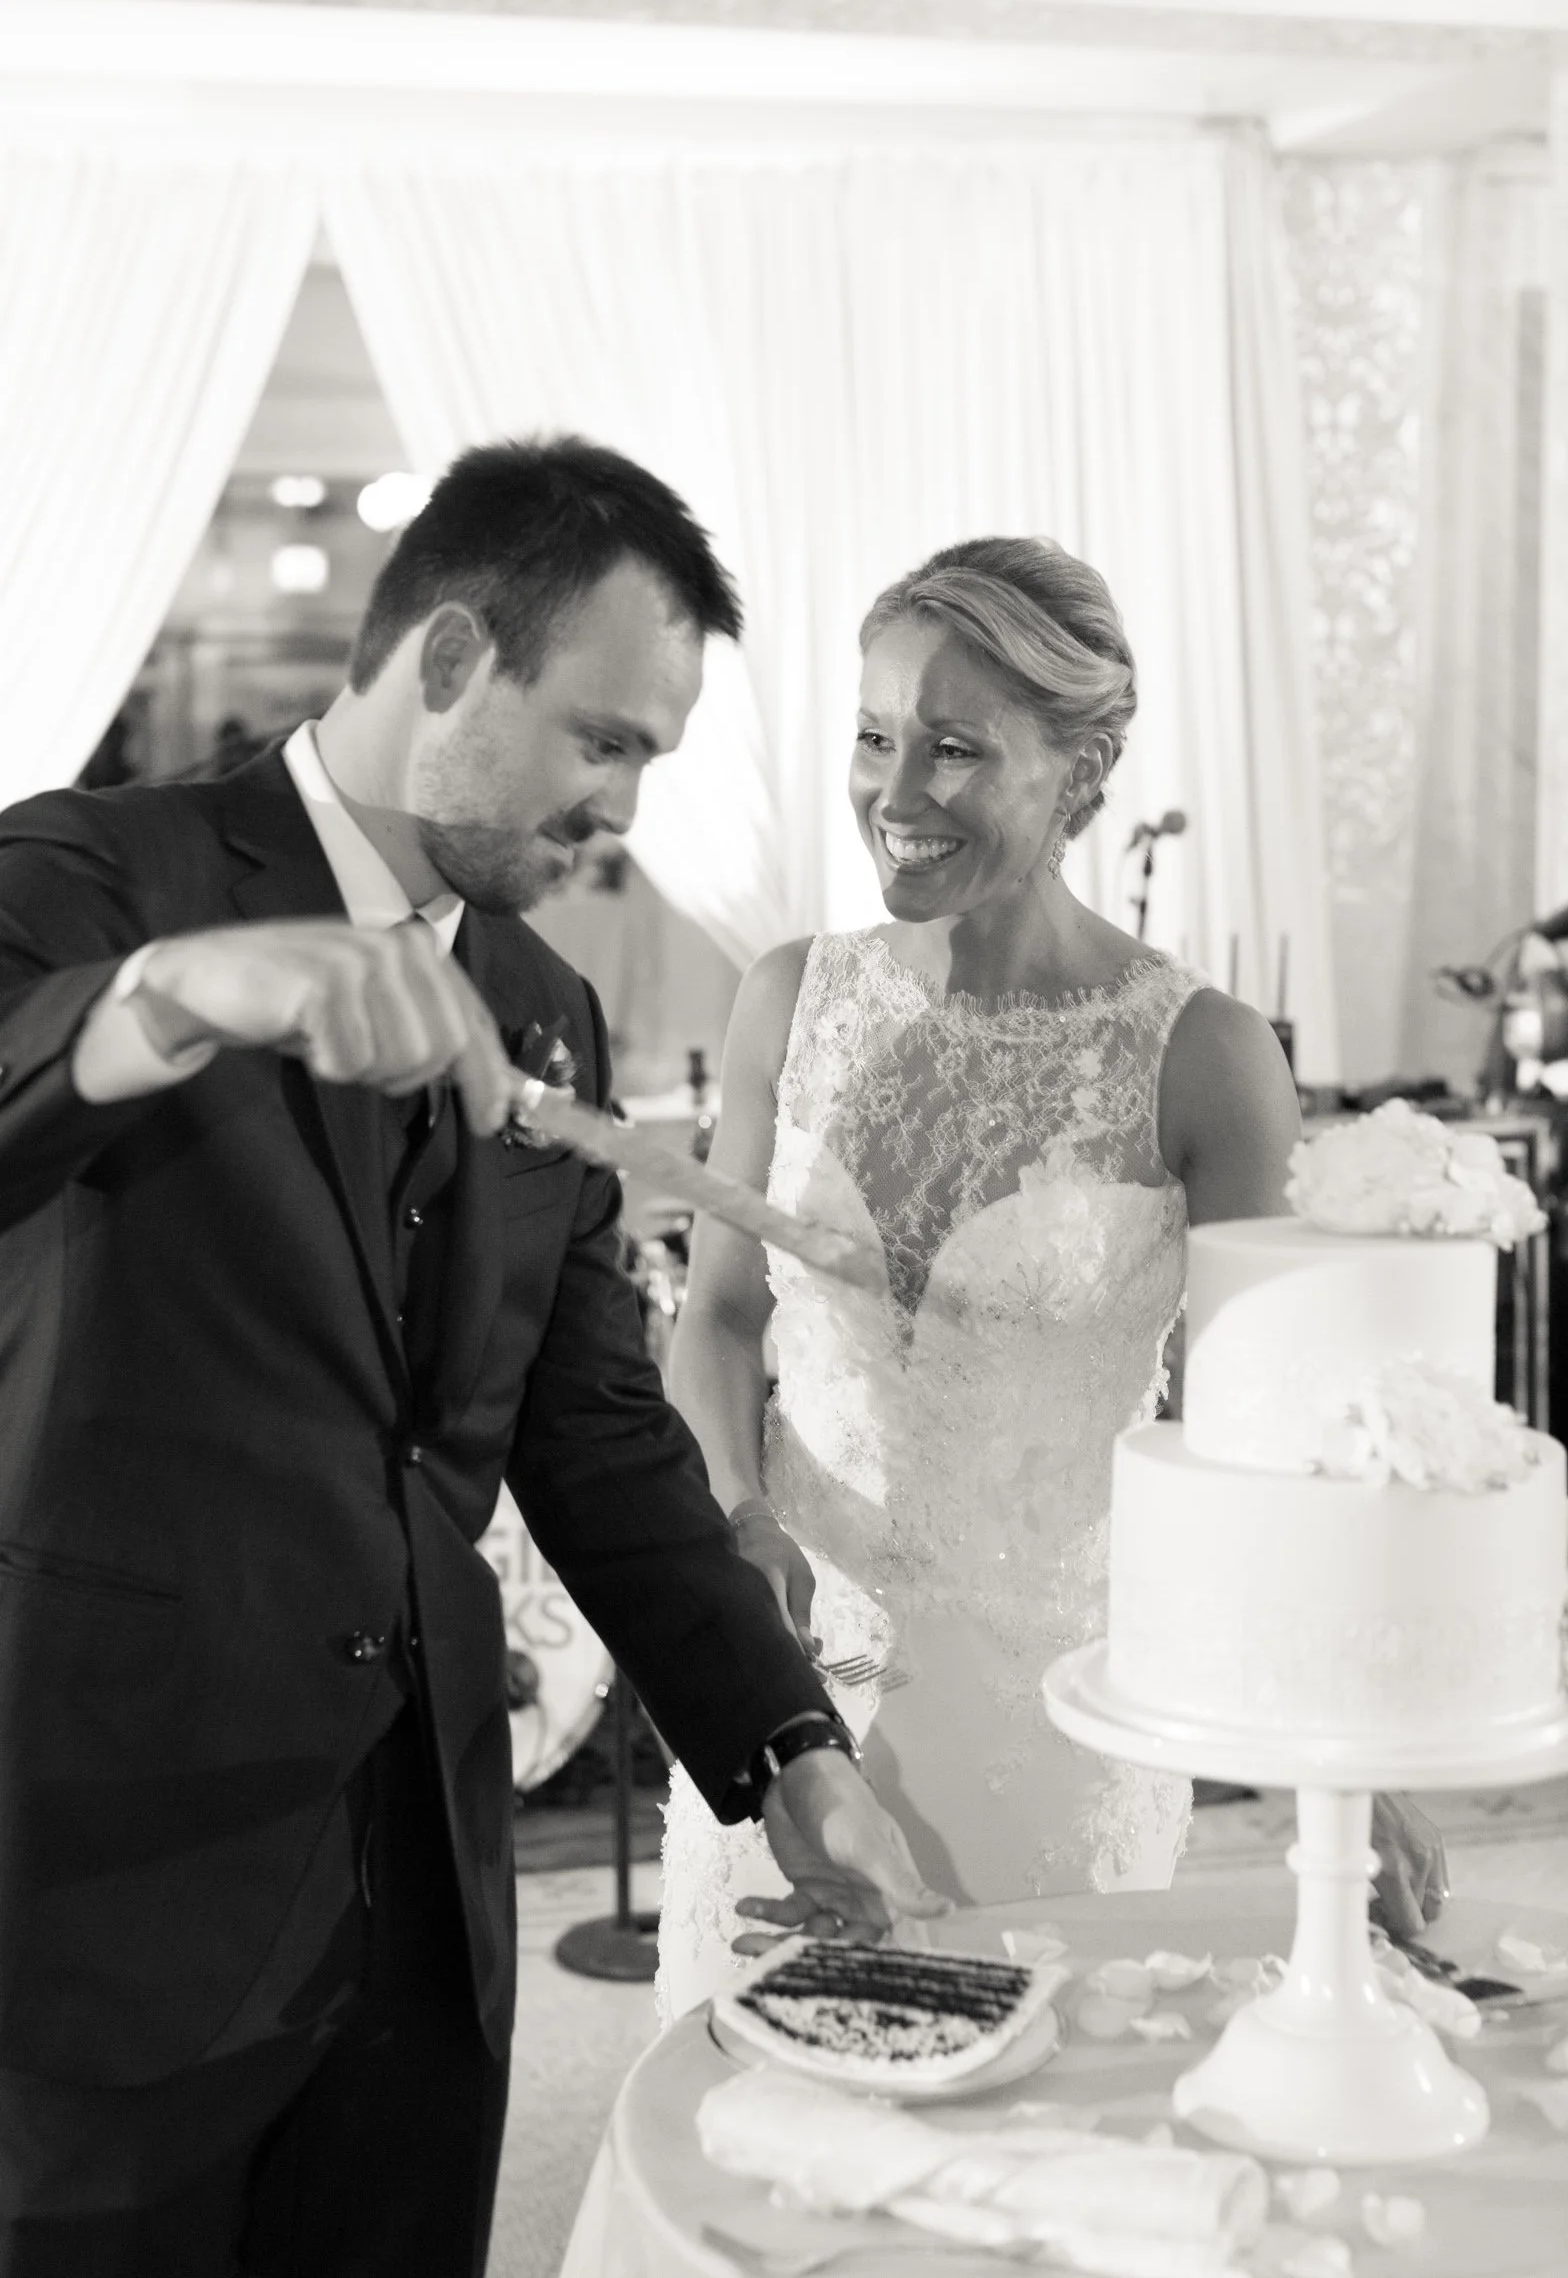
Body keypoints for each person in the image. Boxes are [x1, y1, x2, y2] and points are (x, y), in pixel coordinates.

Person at [0, 436, 942, 2278]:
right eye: (604, 741)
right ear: (445, 662)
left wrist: (787, 1743)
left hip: (420, 1895)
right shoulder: (96, 879)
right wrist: (156, 1004)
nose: (621, 809)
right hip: (107, 1886)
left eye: (649, 758)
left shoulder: (541, 1006)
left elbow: (585, 1424)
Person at [657, 534, 1446, 2015]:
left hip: (1060, 1725)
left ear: (1080, 772)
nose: (896, 796)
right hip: (787, 1700)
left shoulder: (1203, 1055)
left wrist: (1351, 1746)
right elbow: (714, 1315)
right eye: (876, 738)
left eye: (954, 749)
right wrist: (732, 1517)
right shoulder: (788, 999)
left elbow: (1259, 1440)